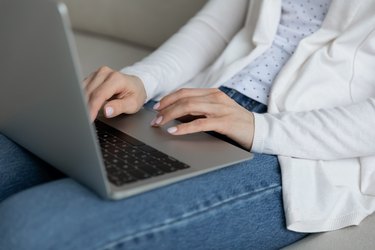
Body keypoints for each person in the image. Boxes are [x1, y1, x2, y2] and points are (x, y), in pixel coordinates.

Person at [1, 0, 375, 249]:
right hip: (199, 98)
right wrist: (140, 80)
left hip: (296, 149)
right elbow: (216, 26)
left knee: (31, 229)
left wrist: (259, 128)